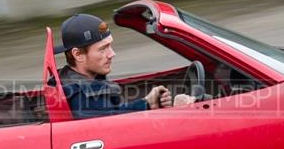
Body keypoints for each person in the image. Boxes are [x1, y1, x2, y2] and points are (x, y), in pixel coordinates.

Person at [54, 14, 195, 119]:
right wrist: (178, 112)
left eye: (110, 46)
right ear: (78, 54)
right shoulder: (83, 97)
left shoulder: (72, 81)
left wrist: (146, 104)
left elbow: (112, 113)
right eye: (103, 49)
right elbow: (116, 131)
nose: (112, 54)